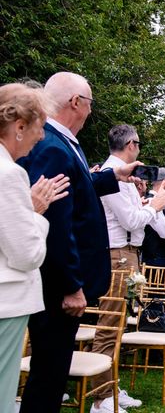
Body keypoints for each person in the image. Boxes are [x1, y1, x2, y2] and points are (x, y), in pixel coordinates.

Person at [18, 72, 135, 413]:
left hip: (57, 282)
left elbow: (77, 189)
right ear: (76, 103)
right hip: (57, 286)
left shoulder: (62, 142)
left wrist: (112, 176)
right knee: (49, 373)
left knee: (53, 371)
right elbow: (56, 221)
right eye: (90, 103)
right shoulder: (53, 145)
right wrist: (70, 284)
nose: (90, 112)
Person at [92, 125, 165, 413]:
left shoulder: (124, 176)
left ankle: (111, 388)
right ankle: (101, 398)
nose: (140, 149)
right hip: (117, 255)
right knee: (108, 327)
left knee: (117, 326)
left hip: (127, 254)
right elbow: (130, 221)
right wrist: (155, 204)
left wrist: (145, 201)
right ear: (131, 144)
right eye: (138, 143)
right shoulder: (111, 174)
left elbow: (132, 216)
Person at [0, 83, 69, 413]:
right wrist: (36, 213)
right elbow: (27, 254)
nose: (41, 137)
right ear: (19, 126)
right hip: (6, 303)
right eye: (39, 126)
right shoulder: (9, 174)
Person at [141, 167, 165, 266]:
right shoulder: (152, 202)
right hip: (155, 260)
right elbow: (164, 232)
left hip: (156, 258)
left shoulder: (152, 200)